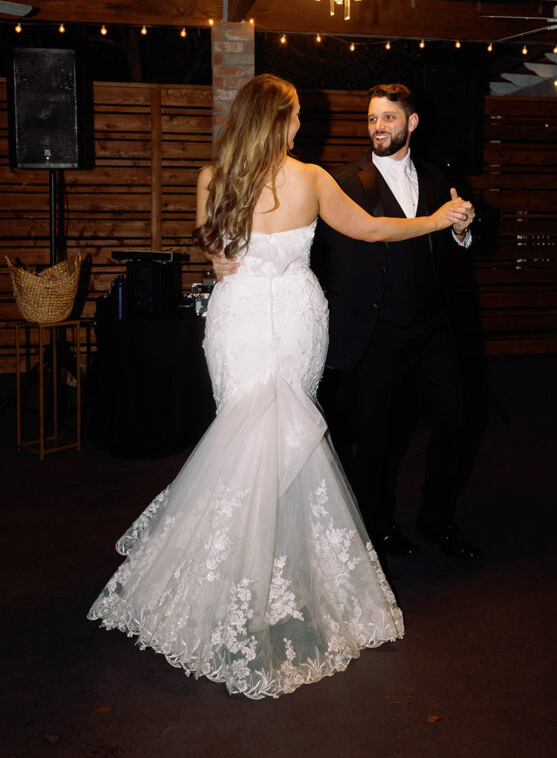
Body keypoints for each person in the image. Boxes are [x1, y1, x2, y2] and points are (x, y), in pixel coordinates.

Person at [87, 74, 465, 701]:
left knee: (249, 434)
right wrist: (434, 221)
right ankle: (263, 578)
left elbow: (211, 241)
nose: (299, 127)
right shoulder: (313, 178)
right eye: (294, 118)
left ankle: (239, 579)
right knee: (278, 440)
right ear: (281, 121)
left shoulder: (213, 176)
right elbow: (371, 231)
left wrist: (217, 261)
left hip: (239, 320)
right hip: (293, 318)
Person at [311, 83, 481, 562]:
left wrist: (462, 231)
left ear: (412, 122)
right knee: (377, 437)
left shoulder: (436, 176)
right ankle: (378, 529)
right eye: (371, 119)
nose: (377, 127)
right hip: (375, 330)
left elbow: (454, 249)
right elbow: (319, 247)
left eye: (387, 118)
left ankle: (437, 519)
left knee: (456, 420)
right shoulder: (343, 180)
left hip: (432, 329)